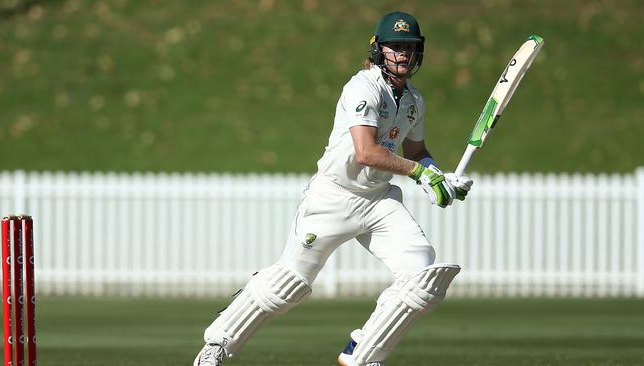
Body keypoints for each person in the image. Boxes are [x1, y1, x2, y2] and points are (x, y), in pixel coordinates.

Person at [193, 11, 473, 366]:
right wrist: (421, 174)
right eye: (395, 47)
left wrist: (439, 176)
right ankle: (217, 344)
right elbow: (366, 152)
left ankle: (362, 353)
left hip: (377, 201)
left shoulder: (414, 100)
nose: (403, 54)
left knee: (423, 277)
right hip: (334, 197)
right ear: (378, 50)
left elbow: (416, 152)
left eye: (410, 47)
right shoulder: (362, 88)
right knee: (288, 285)